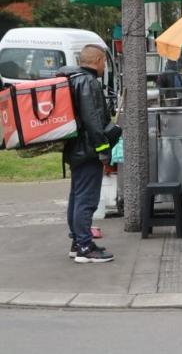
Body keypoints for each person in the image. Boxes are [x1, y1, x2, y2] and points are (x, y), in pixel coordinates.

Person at [57, 45, 115, 263]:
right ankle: (85, 247)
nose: (105, 67)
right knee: (86, 199)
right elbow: (93, 119)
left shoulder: (71, 79)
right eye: (105, 63)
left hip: (74, 147)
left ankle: (77, 242)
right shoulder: (88, 82)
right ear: (98, 60)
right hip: (88, 149)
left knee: (76, 196)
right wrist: (103, 150)